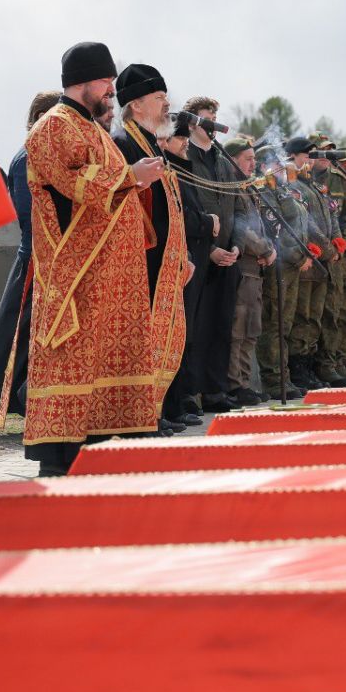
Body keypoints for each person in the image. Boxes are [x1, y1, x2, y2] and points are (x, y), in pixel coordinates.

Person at [17, 42, 181, 476]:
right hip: (78, 272)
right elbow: (72, 185)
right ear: (85, 82)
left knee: (111, 358)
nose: (112, 91)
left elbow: (108, 186)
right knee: (75, 357)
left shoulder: (91, 128)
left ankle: (107, 447)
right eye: (106, 83)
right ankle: (63, 457)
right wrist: (132, 175)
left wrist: (136, 183)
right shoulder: (55, 126)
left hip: (109, 273)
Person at [112, 65, 195, 433]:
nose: (167, 106)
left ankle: (152, 413)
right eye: (160, 99)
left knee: (159, 341)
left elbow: (170, 208)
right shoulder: (121, 143)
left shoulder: (147, 142)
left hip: (162, 260)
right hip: (139, 261)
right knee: (140, 342)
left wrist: (182, 256)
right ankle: (139, 416)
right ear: (135, 105)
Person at [0, 90, 59, 424]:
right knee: (21, 340)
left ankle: (28, 402)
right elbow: (30, 217)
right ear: (41, 118)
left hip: (49, 262)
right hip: (35, 262)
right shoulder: (27, 159)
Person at [185, 95, 242, 411]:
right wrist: (209, 252)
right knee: (197, 327)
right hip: (199, 256)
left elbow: (237, 207)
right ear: (193, 121)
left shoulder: (223, 161)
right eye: (208, 117)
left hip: (228, 256)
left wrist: (236, 246)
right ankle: (191, 393)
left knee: (222, 325)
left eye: (216, 117)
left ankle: (215, 389)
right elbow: (189, 211)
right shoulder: (185, 156)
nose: (213, 124)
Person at [160, 115, 218, 418]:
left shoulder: (182, 169)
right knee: (174, 336)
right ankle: (172, 404)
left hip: (191, 260)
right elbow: (180, 218)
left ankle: (180, 400)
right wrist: (209, 223)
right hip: (179, 261)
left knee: (187, 335)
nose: (185, 143)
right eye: (179, 139)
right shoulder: (168, 171)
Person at [255, 143, 313, 400]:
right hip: (279, 265)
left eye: (279, 163)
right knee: (274, 323)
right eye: (272, 163)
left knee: (286, 324)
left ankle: (284, 376)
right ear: (261, 166)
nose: (278, 168)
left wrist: (307, 252)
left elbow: (300, 224)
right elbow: (273, 230)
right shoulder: (263, 190)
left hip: (293, 265)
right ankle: (274, 380)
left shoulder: (285, 190)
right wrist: (297, 256)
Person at [223, 137, 276, 405]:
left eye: (254, 158)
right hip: (244, 268)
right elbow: (240, 227)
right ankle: (235, 384)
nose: (253, 163)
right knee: (238, 329)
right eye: (248, 158)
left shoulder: (247, 187)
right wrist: (266, 249)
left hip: (255, 271)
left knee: (252, 329)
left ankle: (245, 381)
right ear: (232, 158)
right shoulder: (232, 187)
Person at [286, 137, 340, 390]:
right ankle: (298, 368)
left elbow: (332, 215)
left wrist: (337, 242)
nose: (309, 161)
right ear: (293, 157)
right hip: (309, 258)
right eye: (306, 156)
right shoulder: (294, 186)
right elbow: (307, 224)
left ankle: (308, 364)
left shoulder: (316, 187)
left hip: (324, 260)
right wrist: (328, 249)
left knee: (315, 317)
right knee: (302, 316)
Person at [312, 138, 346, 387]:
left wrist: (343, 245)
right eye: (320, 151)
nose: (325, 156)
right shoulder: (302, 179)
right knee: (317, 314)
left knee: (339, 312)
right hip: (314, 256)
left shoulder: (339, 181)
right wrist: (327, 248)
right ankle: (320, 364)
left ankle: (335, 361)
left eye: (330, 152)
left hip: (339, 258)